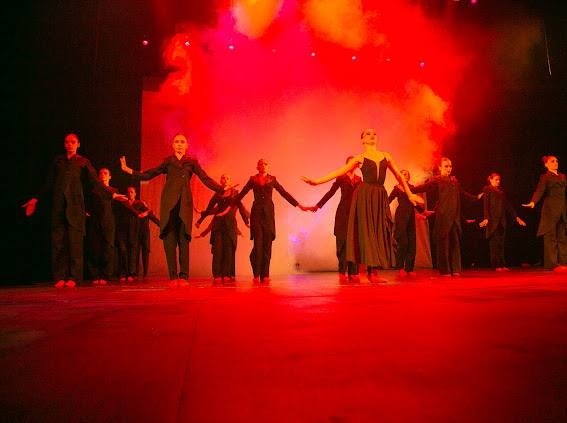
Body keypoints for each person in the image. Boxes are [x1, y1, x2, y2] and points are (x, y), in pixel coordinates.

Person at [302, 128, 422, 283]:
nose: (372, 135)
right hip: (365, 195)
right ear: (363, 140)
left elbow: (399, 176)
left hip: (380, 194)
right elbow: (339, 172)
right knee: (368, 232)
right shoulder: (360, 158)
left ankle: (373, 272)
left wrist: (410, 194)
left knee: (379, 231)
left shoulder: (386, 156)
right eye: (368, 134)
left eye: (374, 133)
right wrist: (317, 182)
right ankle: (370, 273)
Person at [22, 133, 126, 287]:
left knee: (75, 243)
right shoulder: (58, 161)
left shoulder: (83, 161)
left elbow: (95, 182)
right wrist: (35, 199)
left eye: (73, 142)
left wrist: (112, 194)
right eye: (67, 142)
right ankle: (60, 276)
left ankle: (74, 277)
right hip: (59, 207)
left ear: (78, 144)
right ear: (64, 144)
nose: (69, 144)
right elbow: (49, 182)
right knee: (58, 242)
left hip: (75, 207)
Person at [120, 133, 225, 287]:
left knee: (183, 239)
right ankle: (173, 276)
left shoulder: (191, 162)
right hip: (168, 205)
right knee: (169, 240)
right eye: (177, 141)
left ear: (186, 145)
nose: (179, 144)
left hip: (184, 205)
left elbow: (205, 178)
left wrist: (221, 189)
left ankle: (184, 276)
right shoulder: (168, 161)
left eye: (182, 142)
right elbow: (149, 174)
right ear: (173, 145)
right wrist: (129, 170)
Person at [234, 159, 310, 283]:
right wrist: (231, 204)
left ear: (268, 167)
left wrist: (298, 205)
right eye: (261, 164)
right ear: (257, 167)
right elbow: (240, 195)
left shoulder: (272, 179)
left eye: (265, 164)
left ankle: (265, 275)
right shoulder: (253, 179)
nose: (263, 165)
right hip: (256, 214)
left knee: (267, 245)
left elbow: (284, 193)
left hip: (268, 215)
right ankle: (256, 274)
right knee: (258, 245)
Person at [412, 157, 481, 277]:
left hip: (454, 217)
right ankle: (445, 270)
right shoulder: (438, 180)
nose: (449, 168)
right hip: (443, 217)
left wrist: (476, 198)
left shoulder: (454, 181)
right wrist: (410, 189)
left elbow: (462, 194)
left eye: (450, 166)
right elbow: (425, 187)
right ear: (440, 167)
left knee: (455, 243)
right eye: (446, 166)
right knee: (443, 244)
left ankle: (455, 269)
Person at [310, 156, 362, 281]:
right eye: (351, 162)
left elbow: (362, 196)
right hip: (343, 212)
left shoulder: (359, 179)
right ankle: (342, 271)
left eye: (355, 163)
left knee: (354, 243)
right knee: (342, 242)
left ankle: (353, 272)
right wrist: (318, 205)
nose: (354, 164)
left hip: (355, 213)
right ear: (347, 164)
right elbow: (330, 192)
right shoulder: (341, 178)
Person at [195, 174, 249, 282]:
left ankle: (227, 274)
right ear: (220, 181)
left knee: (228, 250)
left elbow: (241, 207)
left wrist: (246, 222)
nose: (225, 179)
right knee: (218, 250)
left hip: (230, 226)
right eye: (223, 178)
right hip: (218, 226)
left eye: (227, 178)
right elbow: (209, 208)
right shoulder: (217, 194)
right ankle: (217, 275)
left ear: (230, 181)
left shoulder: (235, 193)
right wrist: (200, 221)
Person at [522, 156, 567, 272]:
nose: (556, 163)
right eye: (552, 161)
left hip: (562, 210)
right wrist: (533, 202)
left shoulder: (562, 176)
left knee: (562, 237)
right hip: (550, 210)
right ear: (546, 164)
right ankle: (552, 264)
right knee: (550, 238)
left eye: (557, 161)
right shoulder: (545, 177)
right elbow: (539, 190)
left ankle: (563, 263)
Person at [478, 173, 526, 271]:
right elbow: (486, 205)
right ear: (491, 180)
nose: (498, 181)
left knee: (501, 243)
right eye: (496, 179)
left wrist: (516, 217)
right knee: (494, 244)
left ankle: (502, 264)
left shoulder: (500, 192)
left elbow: (507, 205)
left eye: (499, 180)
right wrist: (486, 218)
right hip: (492, 221)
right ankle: (496, 265)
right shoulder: (488, 190)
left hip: (501, 220)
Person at [388, 169, 430, 277]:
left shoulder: (412, 188)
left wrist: (423, 212)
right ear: (400, 177)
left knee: (412, 242)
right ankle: (400, 267)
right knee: (403, 242)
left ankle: (409, 268)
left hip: (410, 215)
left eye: (407, 174)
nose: (405, 175)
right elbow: (388, 200)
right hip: (401, 216)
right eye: (403, 174)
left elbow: (414, 202)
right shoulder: (397, 188)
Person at [86, 168, 119, 285]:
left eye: (105, 173)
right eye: (101, 173)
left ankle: (106, 275)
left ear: (110, 177)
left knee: (108, 248)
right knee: (94, 248)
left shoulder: (114, 191)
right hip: (95, 221)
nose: (103, 175)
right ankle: (95, 275)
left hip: (109, 222)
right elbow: (89, 205)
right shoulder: (94, 191)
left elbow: (117, 208)